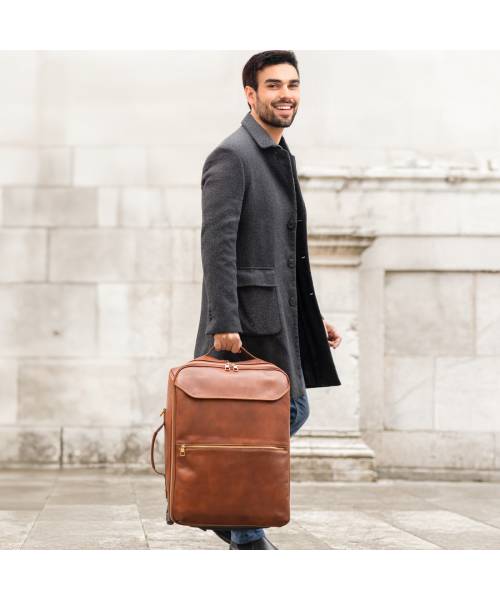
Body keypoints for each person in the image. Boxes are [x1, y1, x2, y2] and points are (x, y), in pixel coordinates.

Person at [193, 50, 343, 550]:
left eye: (293, 85)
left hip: (276, 318)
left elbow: (286, 256)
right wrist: (224, 321)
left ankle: (234, 518)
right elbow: (217, 247)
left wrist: (311, 321)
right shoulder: (233, 155)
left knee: (270, 419)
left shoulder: (277, 154)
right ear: (250, 94)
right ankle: (243, 528)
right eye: (274, 85)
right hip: (247, 325)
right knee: (286, 412)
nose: (286, 94)